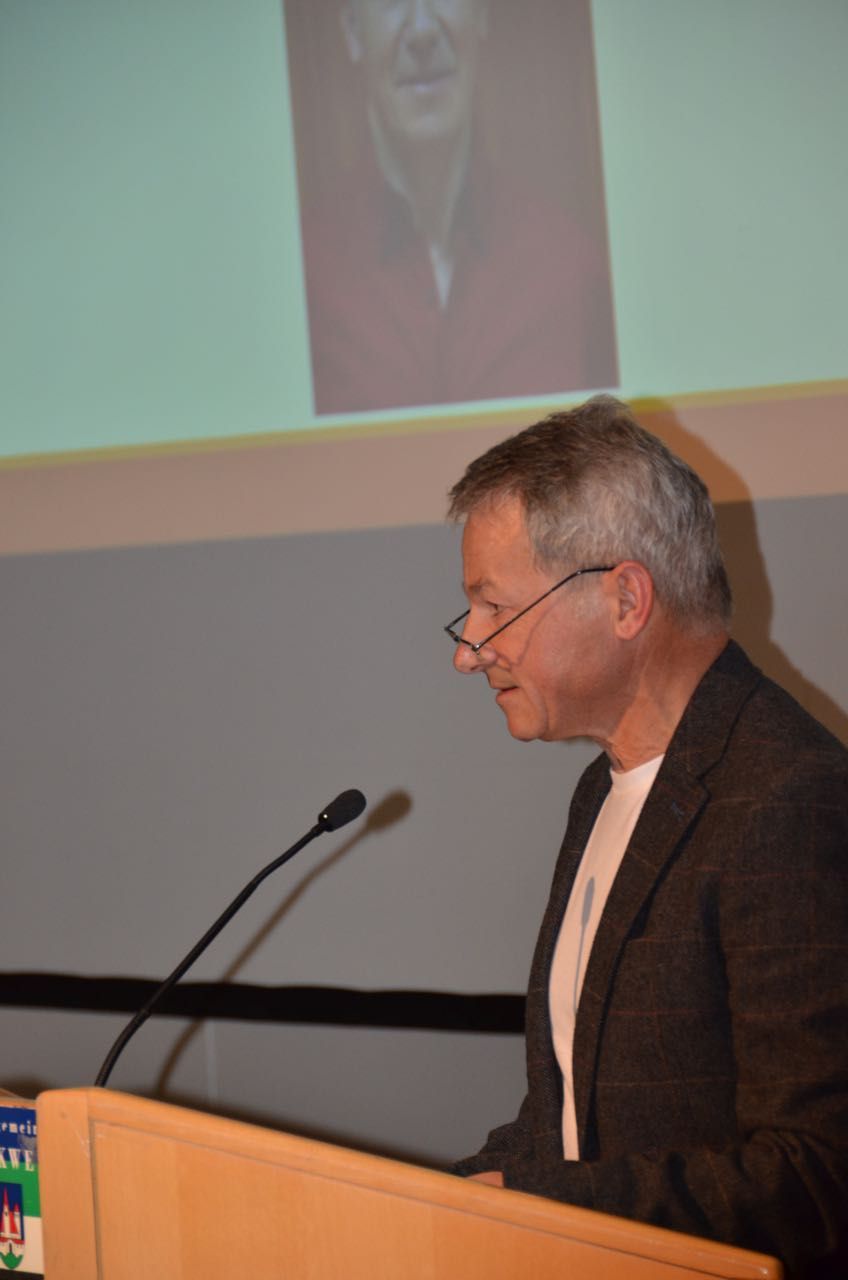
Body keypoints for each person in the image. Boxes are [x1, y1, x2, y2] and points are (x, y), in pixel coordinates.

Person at [445, 396, 848, 1279]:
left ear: (626, 599)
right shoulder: (605, 787)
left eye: (493, 607)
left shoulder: (787, 795)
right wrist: (432, 1204)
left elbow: (817, 1175)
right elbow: (568, 1123)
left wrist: (538, 1204)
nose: (468, 651)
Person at [296, 0, 617, 413]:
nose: (422, 30)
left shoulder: (570, 264)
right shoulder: (303, 280)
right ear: (353, 30)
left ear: (481, 13)